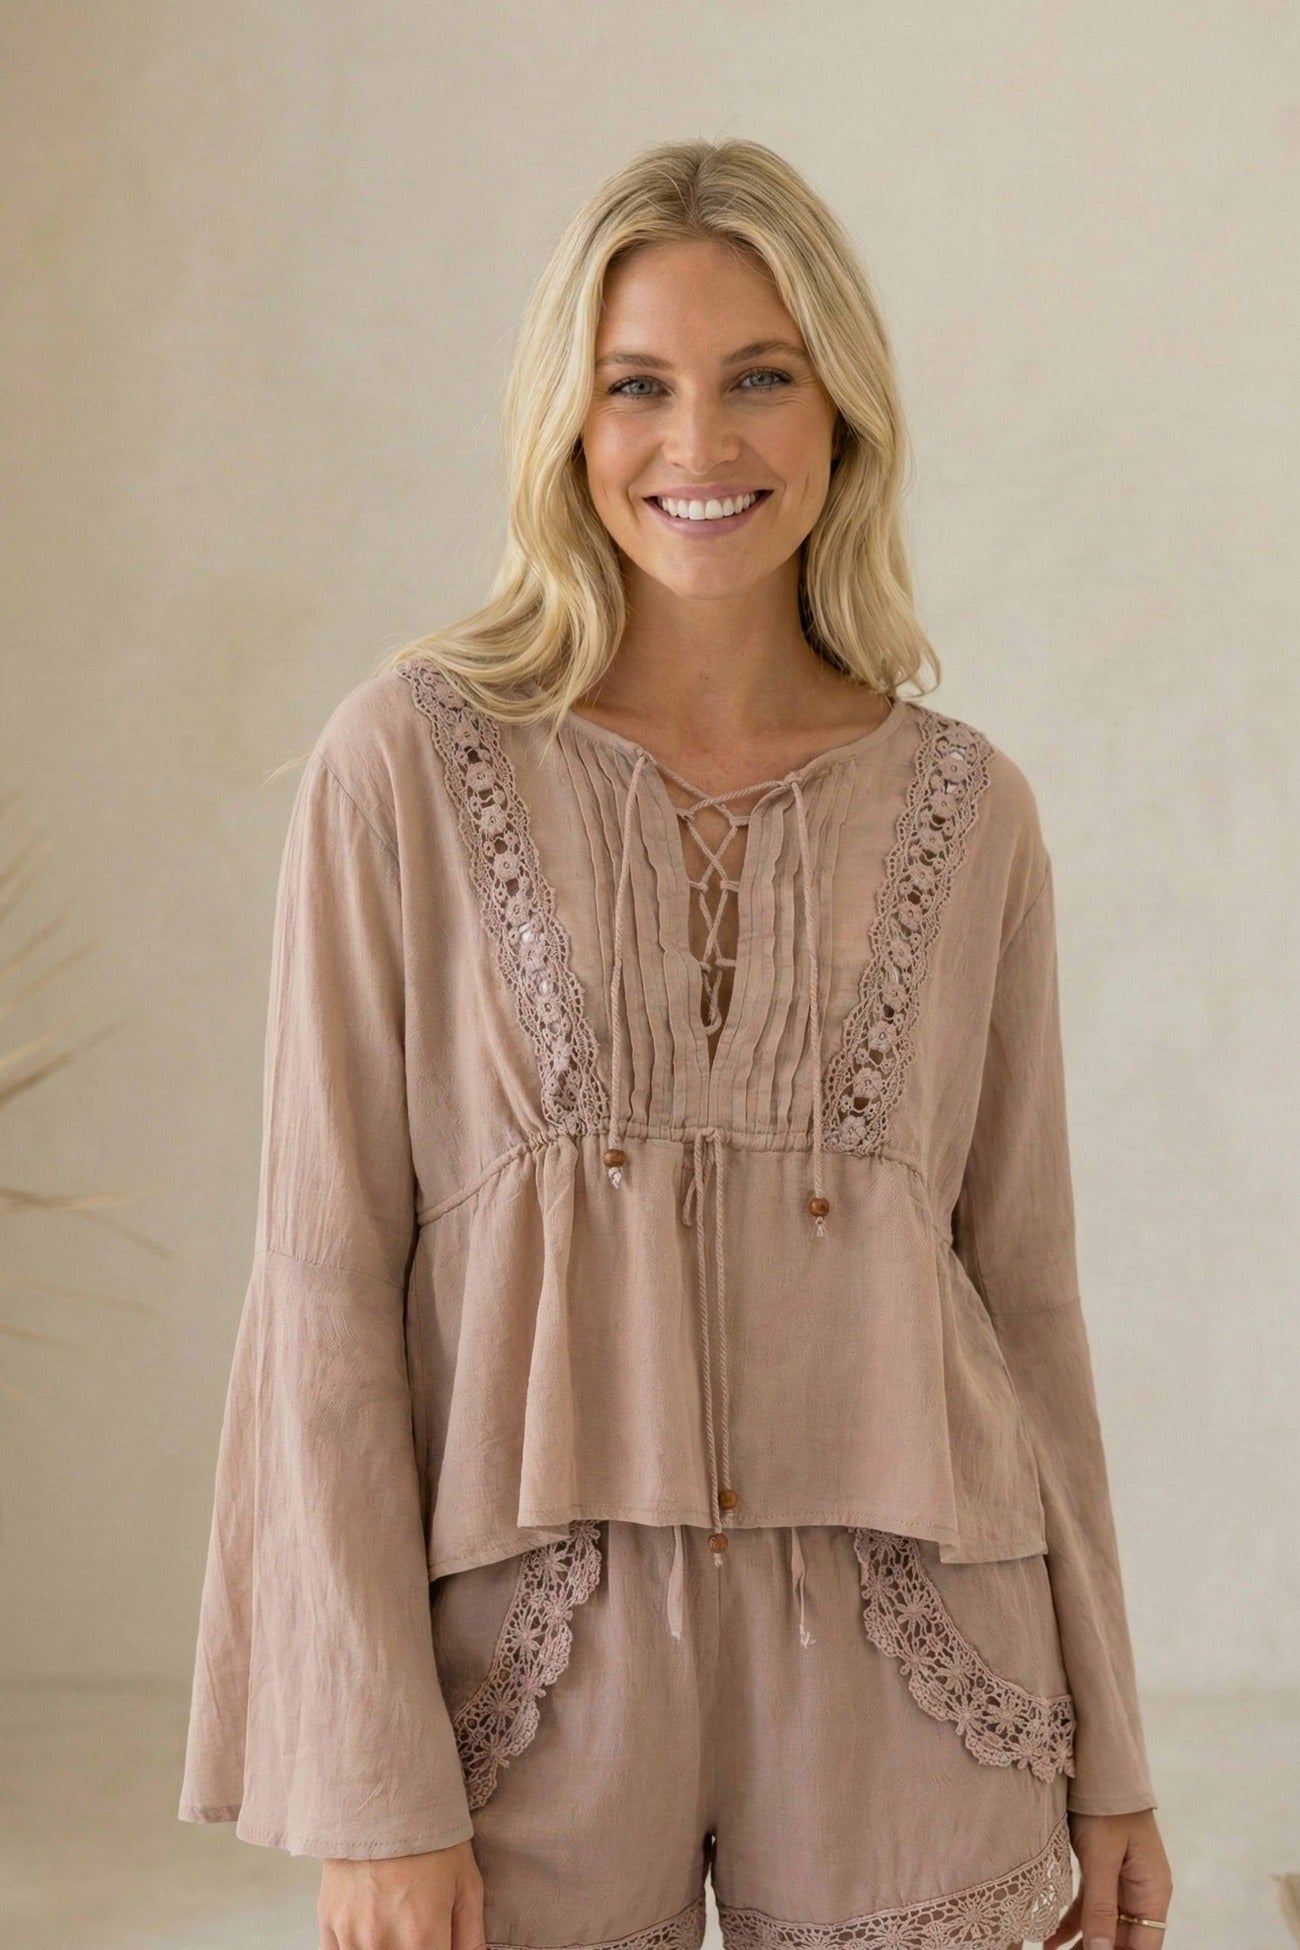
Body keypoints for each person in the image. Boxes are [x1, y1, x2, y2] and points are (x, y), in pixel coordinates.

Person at [178, 137, 1174, 1950]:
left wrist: (1114, 1750)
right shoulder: (403, 765)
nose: (697, 440)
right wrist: (371, 1780)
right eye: (637, 384)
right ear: (566, 420)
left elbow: (1026, 1297)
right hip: (526, 1685)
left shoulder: (973, 809)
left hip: (924, 1663)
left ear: (842, 410)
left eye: (759, 377)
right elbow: (323, 1285)